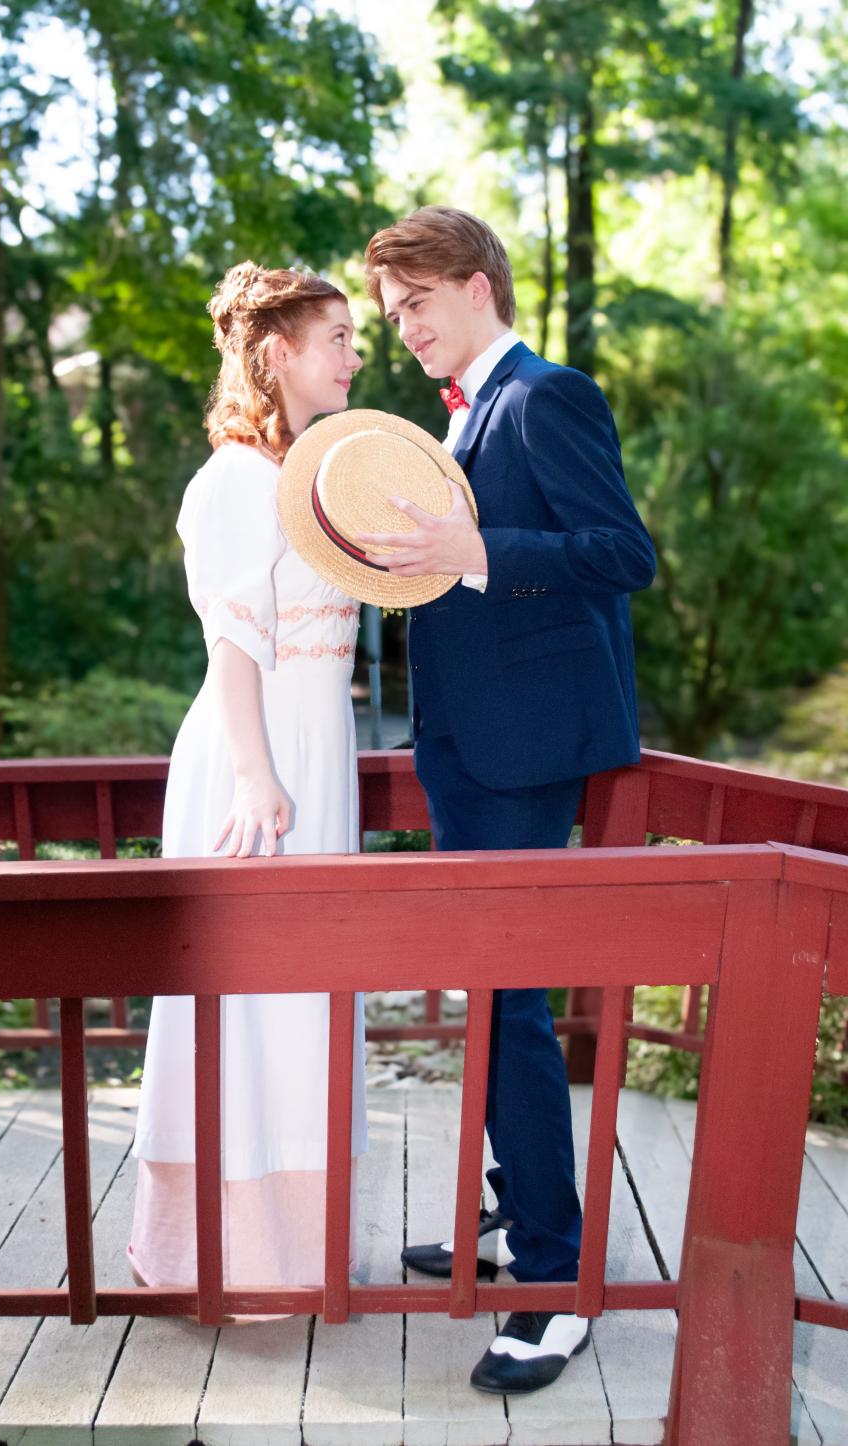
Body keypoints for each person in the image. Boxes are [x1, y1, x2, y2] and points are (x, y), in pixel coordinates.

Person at [361, 207, 656, 1392]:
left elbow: (620, 552)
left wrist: (474, 547)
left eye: (416, 304)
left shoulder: (546, 395)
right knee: (488, 1005)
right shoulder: (468, 415)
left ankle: (551, 1284)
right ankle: (509, 1210)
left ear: (478, 285)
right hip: (463, 751)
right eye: (390, 316)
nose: (404, 329)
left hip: (527, 755)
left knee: (510, 1011)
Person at [128, 262, 368, 1318]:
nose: (355, 357)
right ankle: (220, 1259)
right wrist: (262, 779)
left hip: (317, 743)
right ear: (277, 354)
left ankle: (293, 1256)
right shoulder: (234, 478)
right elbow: (233, 640)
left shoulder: (311, 472)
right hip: (257, 759)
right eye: (338, 339)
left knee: (305, 1001)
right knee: (247, 1006)